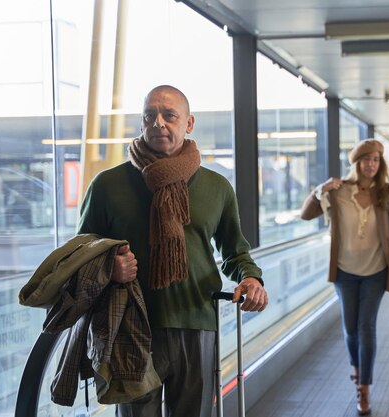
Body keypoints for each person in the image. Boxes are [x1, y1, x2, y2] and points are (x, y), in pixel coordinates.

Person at [77, 85, 268, 417]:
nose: (158, 123)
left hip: (196, 322)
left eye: (169, 115)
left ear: (189, 123)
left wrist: (251, 279)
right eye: (149, 115)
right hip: (130, 327)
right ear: (141, 123)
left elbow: (235, 251)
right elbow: (80, 255)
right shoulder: (107, 186)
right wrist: (109, 267)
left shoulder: (216, 187)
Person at [300, 139, 389, 416]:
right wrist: (319, 190)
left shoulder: (388, 192)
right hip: (344, 273)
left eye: (376, 160)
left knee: (366, 327)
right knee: (350, 329)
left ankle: (364, 390)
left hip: (376, 271)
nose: (372, 164)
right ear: (356, 162)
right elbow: (306, 214)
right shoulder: (338, 191)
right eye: (366, 159)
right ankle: (357, 369)